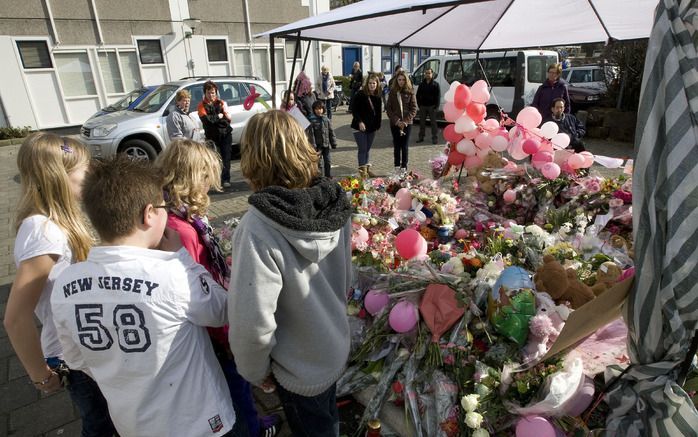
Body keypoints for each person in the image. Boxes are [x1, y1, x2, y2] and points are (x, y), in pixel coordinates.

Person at [50, 156, 237, 437]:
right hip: (199, 421)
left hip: (131, 424)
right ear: (149, 213)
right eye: (164, 207)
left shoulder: (64, 284)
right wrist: (182, 259)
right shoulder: (173, 274)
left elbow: (77, 360)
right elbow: (222, 309)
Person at [229, 110, 352, 437]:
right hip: (332, 347)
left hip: (297, 369)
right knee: (328, 421)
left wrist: (255, 372)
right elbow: (347, 280)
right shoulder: (334, 202)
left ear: (252, 159)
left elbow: (252, 321)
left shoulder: (258, 228)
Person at [155, 140, 281, 437]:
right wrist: (228, 338)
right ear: (190, 177)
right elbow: (197, 286)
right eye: (206, 175)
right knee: (233, 388)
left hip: (210, 322)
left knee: (233, 389)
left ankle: (250, 420)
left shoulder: (177, 215)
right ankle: (248, 429)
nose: (210, 183)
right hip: (213, 331)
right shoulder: (181, 229)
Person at [3, 133, 116, 437]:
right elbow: (15, 317)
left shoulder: (54, 224)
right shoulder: (44, 233)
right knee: (101, 425)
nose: (90, 174)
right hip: (72, 356)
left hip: (82, 346)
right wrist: (40, 375)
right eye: (83, 169)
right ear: (58, 176)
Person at [198, 80, 233, 188]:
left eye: (213, 92)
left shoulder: (221, 103)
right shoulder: (201, 106)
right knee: (214, 160)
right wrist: (219, 117)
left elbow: (228, 120)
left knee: (226, 158)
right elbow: (206, 121)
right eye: (209, 92)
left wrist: (217, 119)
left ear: (216, 92)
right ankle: (216, 180)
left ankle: (226, 179)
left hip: (225, 134)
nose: (211, 95)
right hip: (212, 137)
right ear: (205, 93)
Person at [385, 70, 418, 174]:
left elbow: (414, 109)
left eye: (403, 80)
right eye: (399, 79)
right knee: (396, 145)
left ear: (406, 80)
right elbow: (388, 109)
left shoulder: (410, 91)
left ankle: (404, 166)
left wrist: (405, 121)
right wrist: (397, 121)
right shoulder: (392, 92)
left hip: (407, 124)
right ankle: (396, 166)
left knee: (404, 145)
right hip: (395, 123)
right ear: (396, 80)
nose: (401, 82)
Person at [351, 73, 383, 178]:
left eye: (374, 83)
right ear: (367, 84)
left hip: (371, 128)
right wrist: (360, 121)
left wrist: (378, 126)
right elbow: (354, 110)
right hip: (359, 126)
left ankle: (367, 170)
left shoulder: (378, 96)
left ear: (377, 84)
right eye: (370, 83)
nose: (372, 85)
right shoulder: (360, 94)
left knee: (367, 149)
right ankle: (362, 173)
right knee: (363, 149)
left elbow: (378, 113)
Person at [307, 100, 338, 178]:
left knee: (328, 161)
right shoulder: (311, 120)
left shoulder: (326, 119)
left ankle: (328, 176)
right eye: (317, 109)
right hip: (317, 146)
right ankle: (320, 177)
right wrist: (313, 146)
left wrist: (333, 143)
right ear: (314, 110)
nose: (318, 111)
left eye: (320, 109)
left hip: (326, 145)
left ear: (323, 109)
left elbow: (331, 132)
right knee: (319, 163)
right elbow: (311, 135)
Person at [415, 67, 440, 144]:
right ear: (424, 74)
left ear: (432, 74)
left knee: (433, 124)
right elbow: (417, 95)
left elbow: (438, 96)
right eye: (426, 73)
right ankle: (421, 137)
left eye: (429, 73)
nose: (427, 75)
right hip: (423, 106)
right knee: (422, 123)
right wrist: (419, 105)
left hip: (432, 107)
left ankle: (434, 138)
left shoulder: (436, 85)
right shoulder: (421, 85)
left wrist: (436, 106)